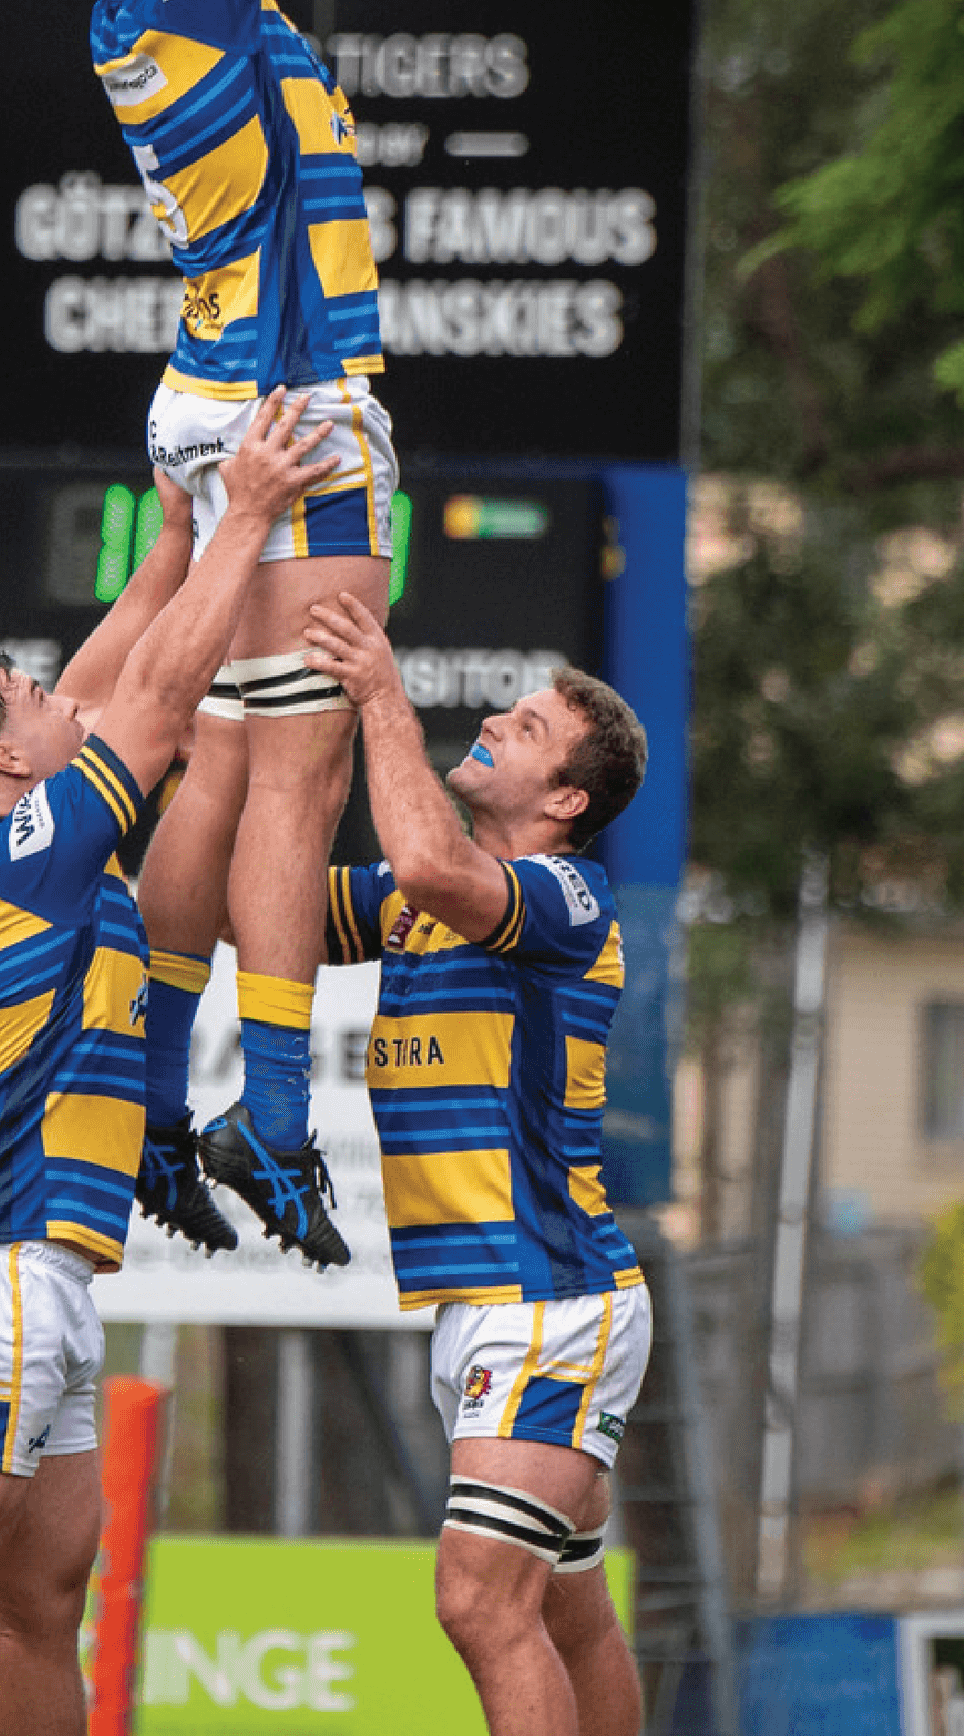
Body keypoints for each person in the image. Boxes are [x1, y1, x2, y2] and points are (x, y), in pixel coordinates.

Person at [28, 0, 459, 1267]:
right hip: (291, 408)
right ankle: (274, 1123)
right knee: (294, 782)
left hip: (211, 394)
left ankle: (139, 1095)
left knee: (216, 772)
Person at [0, 397, 328, 1736]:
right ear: (4, 760)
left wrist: (171, 541)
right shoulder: (27, 851)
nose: (61, 699)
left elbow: (101, 687)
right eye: (37, 702)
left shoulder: (19, 842)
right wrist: (251, 511)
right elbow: (145, 701)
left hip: (37, 1265)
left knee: (40, 1600)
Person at [294, 590, 651, 1736]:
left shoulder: (564, 896)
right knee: (565, 1615)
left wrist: (380, 691)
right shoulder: (419, 896)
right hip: (490, 1305)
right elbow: (274, 913)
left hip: (550, 1300)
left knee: (479, 1605)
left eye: (531, 726)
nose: (498, 719)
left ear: (566, 801)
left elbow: (437, 869)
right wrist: (229, 741)